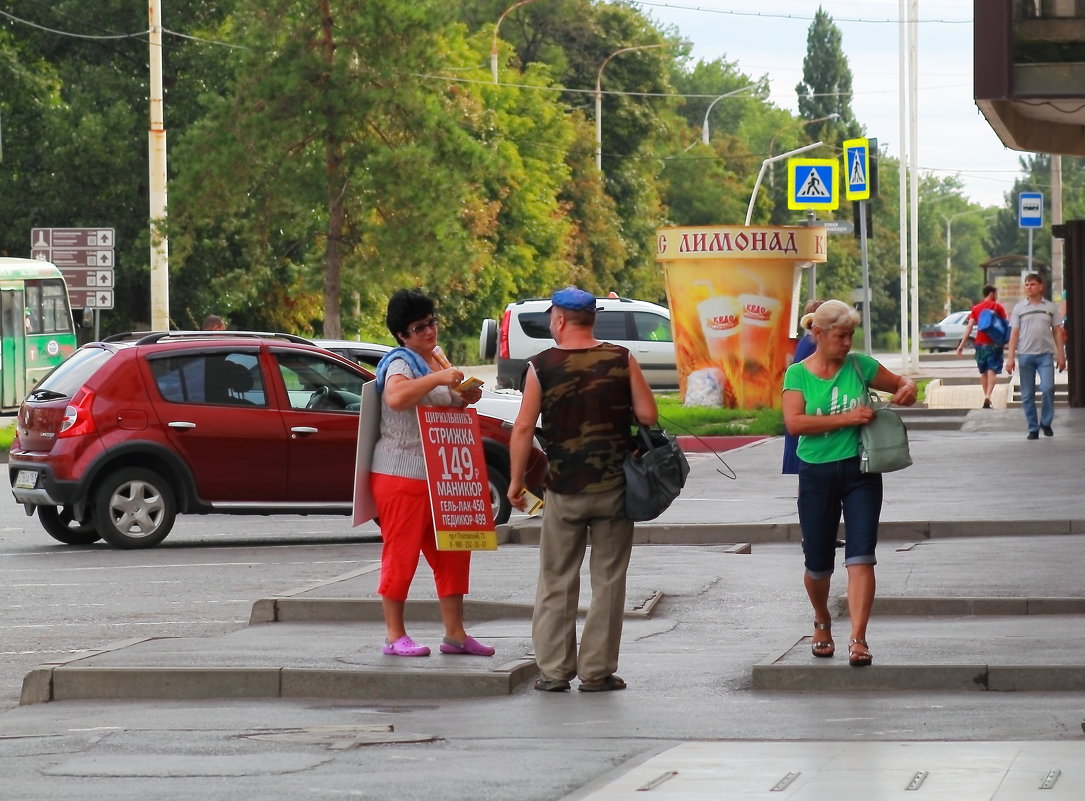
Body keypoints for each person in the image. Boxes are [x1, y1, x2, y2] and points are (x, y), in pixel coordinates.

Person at [507, 286, 658, 693]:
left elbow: (523, 428)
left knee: (557, 579)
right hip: (613, 488)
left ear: (558, 320)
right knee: (608, 580)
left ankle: (555, 672)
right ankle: (597, 671)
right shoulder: (621, 358)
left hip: (564, 489)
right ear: (592, 319)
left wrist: (516, 481)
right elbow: (648, 414)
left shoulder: (541, 365)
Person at [781, 300, 917, 667]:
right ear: (819, 335)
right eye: (840, 336)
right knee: (818, 563)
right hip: (816, 474)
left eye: (850, 336)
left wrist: (907, 388)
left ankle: (858, 638)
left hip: (861, 472)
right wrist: (847, 418)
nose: (846, 343)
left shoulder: (860, 366)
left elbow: (902, 383)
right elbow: (794, 423)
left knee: (861, 557)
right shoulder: (798, 374)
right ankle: (822, 621)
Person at [370, 289, 492, 658]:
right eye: (419, 327)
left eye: (432, 322)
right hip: (402, 474)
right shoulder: (401, 362)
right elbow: (396, 397)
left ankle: (455, 633)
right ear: (402, 335)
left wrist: (464, 395)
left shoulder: (436, 360)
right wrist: (440, 382)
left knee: (453, 554)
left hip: (443, 477)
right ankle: (394, 635)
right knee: (401, 554)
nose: (429, 331)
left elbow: (448, 401)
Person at [1005, 273, 1066, 439]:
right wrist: (1010, 358)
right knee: (1027, 394)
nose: (1029, 287)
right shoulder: (1019, 309)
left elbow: (1057, 333)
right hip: (1025, 355)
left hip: (1045, 355)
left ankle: (1046, 422)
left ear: (1041, 287)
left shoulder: (1051, 307)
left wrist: (1062, 355)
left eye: (1032, 284)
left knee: (1048, 388)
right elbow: (1014, 334)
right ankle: (1033, 428)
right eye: (1026, 284)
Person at [781, 299, 824, 474]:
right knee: (808, 463)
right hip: (807, 407)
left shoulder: (805, 342)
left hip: (800, 405)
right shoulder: (814, 345)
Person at [955, 285, 1008, 409]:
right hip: (994, 344)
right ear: (991, 294)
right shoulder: (997, 307)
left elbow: (969, 327)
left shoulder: (976, 308)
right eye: (996, 293)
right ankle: (988, 396)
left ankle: (986, 397)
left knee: (983, 372)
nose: (997, 296)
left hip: (979, 344)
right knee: (992, 371)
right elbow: (1005, 325)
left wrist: (961, 345)